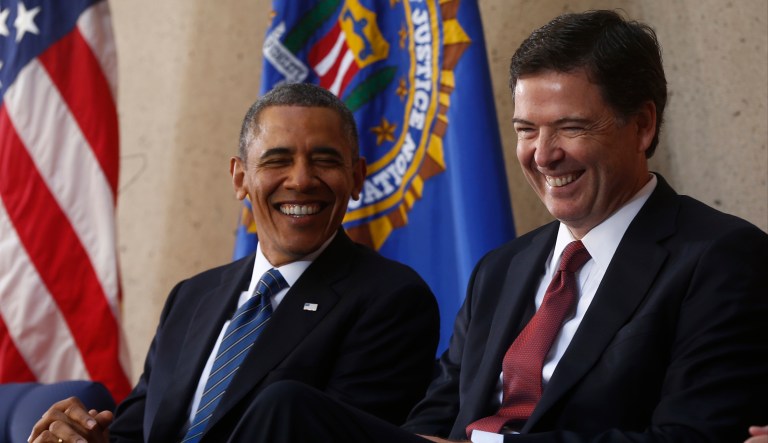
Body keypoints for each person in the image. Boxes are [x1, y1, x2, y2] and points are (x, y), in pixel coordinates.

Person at [201, 9, 768, 443]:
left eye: (569, 127)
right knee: (290, 408)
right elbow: (435, 414)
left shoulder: (719, 257)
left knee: (285, 410)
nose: (543, 155)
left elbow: (692, 437)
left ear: (641, 125)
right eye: (526, 130)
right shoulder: (502, 269)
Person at [29, 83, 440, 442]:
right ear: (240, 178)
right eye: (277, 160)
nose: (300, 179)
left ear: (357, 177)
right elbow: (135, 432)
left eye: (325, 161)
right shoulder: (191, 298)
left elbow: (311, 433)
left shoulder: (392, 300)